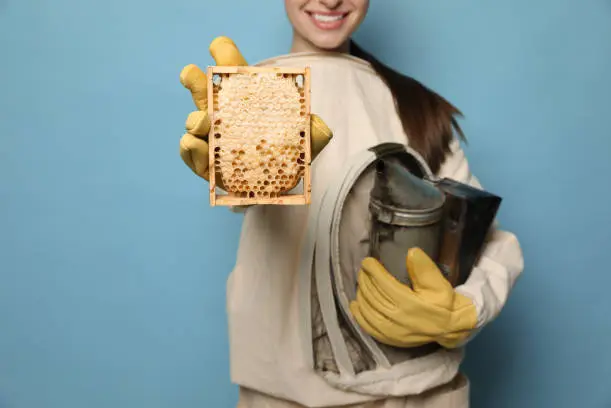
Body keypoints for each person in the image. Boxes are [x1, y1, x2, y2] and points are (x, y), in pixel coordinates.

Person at [178, 1, 524, 407]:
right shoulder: (256, 95)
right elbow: (253, 190)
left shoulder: (414, 106)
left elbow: (485, 239)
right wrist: (243, 163)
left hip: (423, 396)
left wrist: (463, 310)